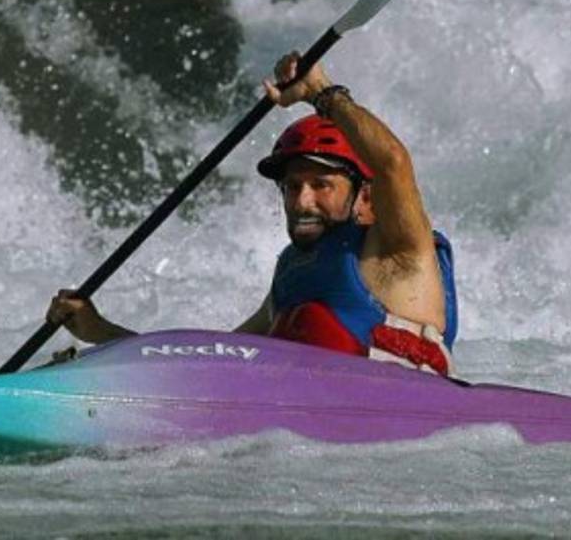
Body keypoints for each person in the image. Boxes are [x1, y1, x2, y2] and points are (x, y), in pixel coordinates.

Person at [46, 53, 458, 374]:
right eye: (292, 187)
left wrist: (322, 93)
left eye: (321, 186)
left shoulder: (398, 252)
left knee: (314, 325)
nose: (302, 202)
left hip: (405, 421)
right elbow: (214, 362)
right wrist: (102, 334)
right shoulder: (294, 271)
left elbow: (393, 164)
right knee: (297, 326)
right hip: (305, 435)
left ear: (365, 197)